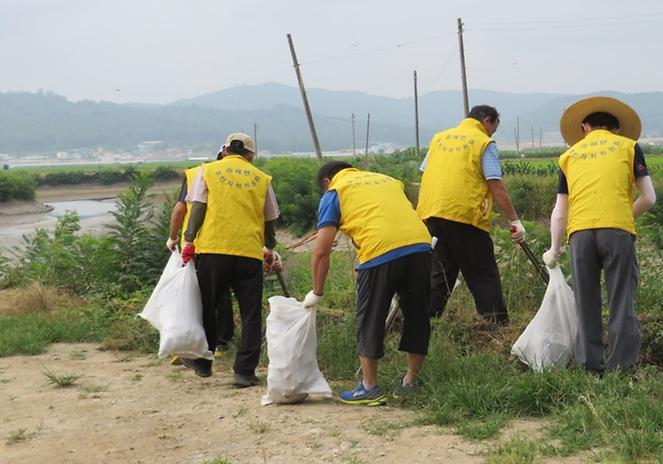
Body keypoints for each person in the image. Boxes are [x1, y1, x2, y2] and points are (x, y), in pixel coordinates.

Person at [303, 161, 433, 406]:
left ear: (326, 181)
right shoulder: (388, 181)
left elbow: (321, 250)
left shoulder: (335, 192)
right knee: (418, 316)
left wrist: (317, 291)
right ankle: (410, 382)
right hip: (421, 246)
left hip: (379, 251)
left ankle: (370, 387)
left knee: (370, 317)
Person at [543, 96, 657, 374]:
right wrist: (622, 216)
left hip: (579, 234)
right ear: (616, 129)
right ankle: (620, 371)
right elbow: (649, 198)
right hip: (617, 232)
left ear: (584, 127)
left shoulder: (569, 156)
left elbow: (560, 212)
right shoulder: (629, 147)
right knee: (621, 301)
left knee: (586, 303)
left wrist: (554, 249)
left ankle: (591, 369)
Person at [179, 132, 282, 388]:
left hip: (213, 249)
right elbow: (270, 218)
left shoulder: (207, 170)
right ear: (250, 156)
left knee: (208, 306)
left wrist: (189, 239)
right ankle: (244, 372)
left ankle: (203, 361)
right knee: (250, 313)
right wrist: (269, 247)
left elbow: (198, 208)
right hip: (248, 252)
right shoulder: (262, 178)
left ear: (224, 151)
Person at [416, 104, 526, 324]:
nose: (491, 133)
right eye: (492, 128)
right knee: (482, 271)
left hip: (432, 212)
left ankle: (423, 322)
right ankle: (496, 323)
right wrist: (514, 220)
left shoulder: (439, 138)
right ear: (487, 121)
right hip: (464, 215)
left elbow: (426, 172)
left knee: (440, 272)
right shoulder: (483, 142)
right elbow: (495, 184)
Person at [166, 148, 233, 355]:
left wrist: (173, 237)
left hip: (198, 245)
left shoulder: (198, 173)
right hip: (231, 243)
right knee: (222, 294)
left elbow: (180, 209)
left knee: (200, 293)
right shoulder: (243, 177)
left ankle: (199, 340)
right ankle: (222, 340)